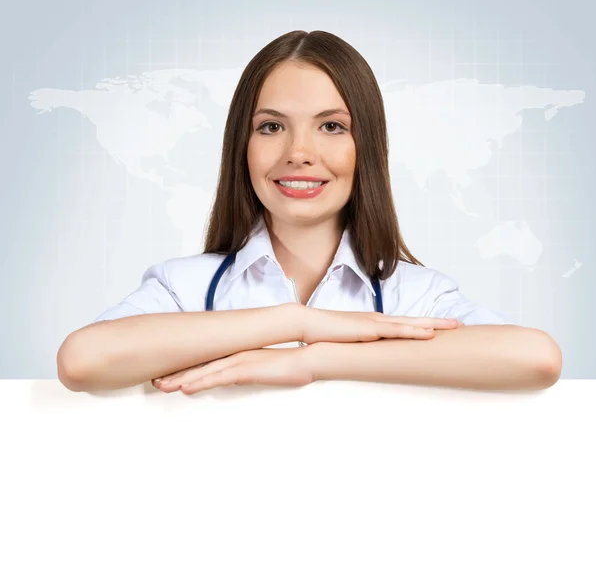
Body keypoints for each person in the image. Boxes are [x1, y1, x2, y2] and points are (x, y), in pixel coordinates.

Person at [56, 30, 562, 394]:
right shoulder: (185, 287)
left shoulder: (416, 296)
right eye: (272, 127)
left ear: (367, 148)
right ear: (243, 146)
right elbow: (83, 361)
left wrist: (314, 359)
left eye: (332, 127)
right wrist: (297, 321)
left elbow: (535, 359)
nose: (299, 152)